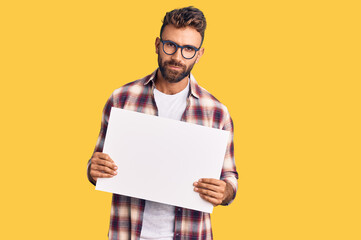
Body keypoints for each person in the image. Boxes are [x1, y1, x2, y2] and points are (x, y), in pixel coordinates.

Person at [87, 6, 238, 240]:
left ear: (199, 54)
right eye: (171, 45)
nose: (178, 57)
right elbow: (97, 167)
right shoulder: (121, 98)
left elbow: (229, 177)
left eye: (188, 49)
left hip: (191, 234)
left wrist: (225, 191)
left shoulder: (216, 112)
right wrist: (93, 169)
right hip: (127, 233)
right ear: (158, 44)